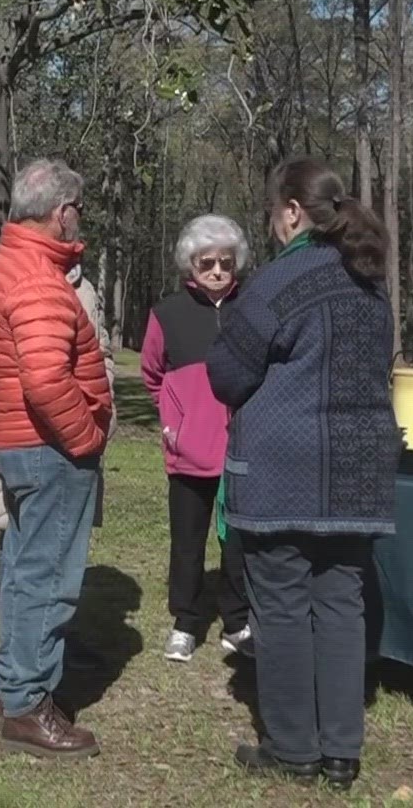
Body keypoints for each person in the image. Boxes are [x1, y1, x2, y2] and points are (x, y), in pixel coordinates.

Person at [205, 159, 400, 791]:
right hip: (356, 471)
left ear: (292, 211)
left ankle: (294, 749)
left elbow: (229, 375)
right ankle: (341, 752)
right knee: (343, 603)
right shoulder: (370, 285)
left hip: (284, 469)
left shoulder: (278, 281)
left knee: (283, 606)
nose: (269, 224)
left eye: (270, 212)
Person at [0, 158, 114, 759]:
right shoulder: (36, 278)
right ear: (62, 212)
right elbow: (46, 378)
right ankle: (28, 706)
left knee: (22, 569)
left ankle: (11, 691)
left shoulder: (4, 264)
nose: (78, 220)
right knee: (47, 578)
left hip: (19, 441)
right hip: (48, 447)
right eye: (77, 210)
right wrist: (84, 440)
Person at [140, 214, 254, 663]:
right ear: (191, 263)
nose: (218, 272)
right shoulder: (167, 314)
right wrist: (174, 418)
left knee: (237, 541)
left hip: (242, 451)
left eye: (226, 263)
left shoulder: (251, 309)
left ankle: (238, 621)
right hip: (188, 451)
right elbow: (151, 373)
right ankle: (185, 623)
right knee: (187, 542)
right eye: (208, 263)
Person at [0, 261, 115, 535]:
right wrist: (83, 434)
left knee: (54, 543)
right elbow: (43, 377)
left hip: (72, 436)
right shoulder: (11, 279)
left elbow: (101, 354)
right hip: (27, 435)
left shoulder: (83, 289)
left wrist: (101, 410)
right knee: (32, 549)